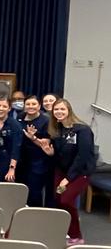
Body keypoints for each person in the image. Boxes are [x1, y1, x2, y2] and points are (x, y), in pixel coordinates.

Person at [40, 99, 96, 246]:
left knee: (66, 200)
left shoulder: (82, 130)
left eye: (62, 109)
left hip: (80, 172)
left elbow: (82, 157)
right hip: (62, 170)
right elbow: (61, 155)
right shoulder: (57, 130)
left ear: (69, 110)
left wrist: (68, 179)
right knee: (58, 199)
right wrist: (51, 153)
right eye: (56, 110)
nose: (59, 112)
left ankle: (77, 236)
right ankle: (64, 230)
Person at [18, 95, 54, 207]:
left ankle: (35, 216)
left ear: (39, 106)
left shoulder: (46, 121)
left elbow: (45, 144)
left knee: (34, 191)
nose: (30, 106)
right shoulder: (21, 116)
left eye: (34, 104)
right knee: (21, 189)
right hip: (22, 160)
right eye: (28, 104)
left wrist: (33, 138)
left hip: (38, 162)